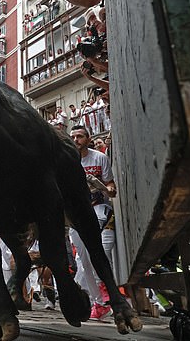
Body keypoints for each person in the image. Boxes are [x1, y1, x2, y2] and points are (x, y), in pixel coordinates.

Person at [69, 125, 117, 321]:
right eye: (72, 137)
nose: (75, 140)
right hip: (75, 214)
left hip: (98, 209)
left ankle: (106, 294)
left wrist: (109, 189)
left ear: (88, 139)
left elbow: (110, 183)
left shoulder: (99, 158)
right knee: (82, 259)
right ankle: (98, 301)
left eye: (80, 136)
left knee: (97, 252)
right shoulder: (66, 161)